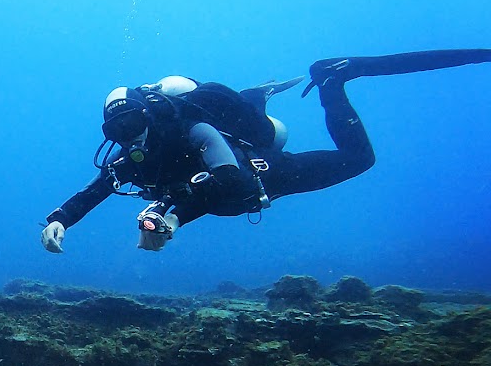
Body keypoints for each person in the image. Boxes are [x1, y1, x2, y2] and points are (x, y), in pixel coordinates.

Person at [40, 49, 491, 253]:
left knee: (360, 160)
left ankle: (332, 80)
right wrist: (60, 219)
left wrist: (166, 211)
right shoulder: (127, 160)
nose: (128, 136)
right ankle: (253, 100)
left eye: (133, 122)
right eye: (116, 130)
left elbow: (230, 179)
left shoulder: (194, 129)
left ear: (150, 115)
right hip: (227, 194)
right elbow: (95, 191)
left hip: (266, 173)